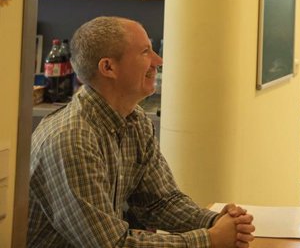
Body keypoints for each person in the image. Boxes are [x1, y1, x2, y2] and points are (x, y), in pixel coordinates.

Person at [29, 16, 256, 248]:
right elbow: (112, 245)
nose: (158, 60)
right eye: (145, 52)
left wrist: (216, 221)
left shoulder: (136, 121)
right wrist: (210, 239)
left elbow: (159, 202)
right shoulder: (71, 139)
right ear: (108, 67)